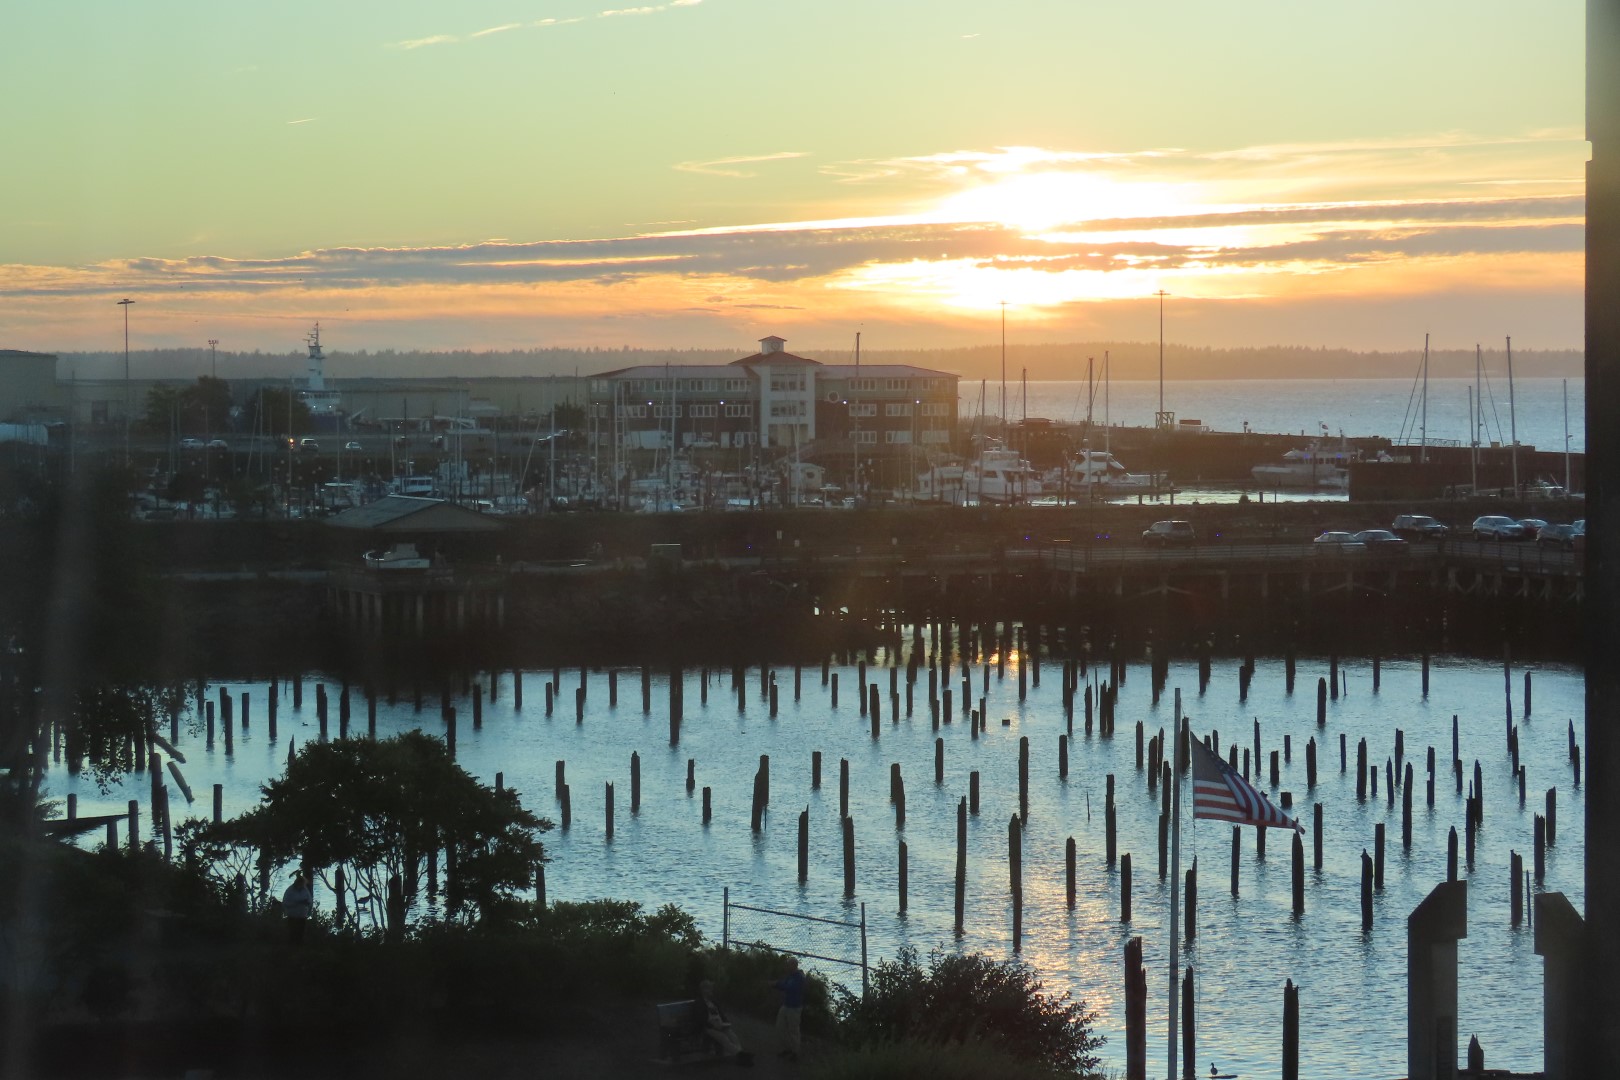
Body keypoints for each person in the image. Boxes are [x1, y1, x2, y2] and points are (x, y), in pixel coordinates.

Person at [698, 980, 751, 1065]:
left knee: (733, 1036)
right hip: (709, 1027)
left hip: (720, 1025)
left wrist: (726, 1022)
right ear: (704, 990)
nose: (712, 991)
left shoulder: (714, 1002)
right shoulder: (699, 1003)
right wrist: (713, 1026)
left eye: (712, 989)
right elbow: (700, 1019)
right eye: (710, 989)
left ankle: (741, 1054)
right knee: (723, 1038)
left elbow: (722, 1014)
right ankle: (741, 1055)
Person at [772, 956, 805, 1061]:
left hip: (794, 1007)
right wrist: (776, 984)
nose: (787, 966)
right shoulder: (790, 976)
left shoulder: (799, 977)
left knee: (793, 1030)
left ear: (794, 965)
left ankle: (795, 1052)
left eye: (789, 964)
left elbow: (790, 987)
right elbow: (784, 985)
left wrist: (777, 984)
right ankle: (786, 1048)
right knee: (780, 1027)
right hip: (786, 1005)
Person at [282, 870, 313, 944]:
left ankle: (299, 947)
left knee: (300, 934)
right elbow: (286, 903)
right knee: (292, 933)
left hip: (302, 916)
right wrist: (298, 903)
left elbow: (309, 901)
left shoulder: (305, 890)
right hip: (292, 915)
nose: (302, 886)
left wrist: (307, 905)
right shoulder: (289, 891)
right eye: (301, 884)